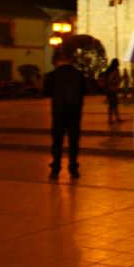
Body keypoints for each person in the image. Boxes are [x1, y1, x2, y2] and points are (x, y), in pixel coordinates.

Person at [43, 48, 86, 179]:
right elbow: (84, 91)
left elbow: (46, 92)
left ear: (57, 60)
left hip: (58, 113)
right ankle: (73, 168)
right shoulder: (79, 75)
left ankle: (55, 168)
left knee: (57, 141)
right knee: (73, 141)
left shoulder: (51, 75)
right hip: (75, 113)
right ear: (71, 60)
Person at [101, 59, 123, 124]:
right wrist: (117, 80)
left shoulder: (109, 70)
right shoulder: (114, 71)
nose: (119, 64)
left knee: (113, 104)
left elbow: (108, 80)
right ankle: (112, 119)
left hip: (109, 90)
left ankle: (113, 119)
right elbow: (111, 80)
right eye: (118, 63)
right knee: (113, 104)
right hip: (112, 89)